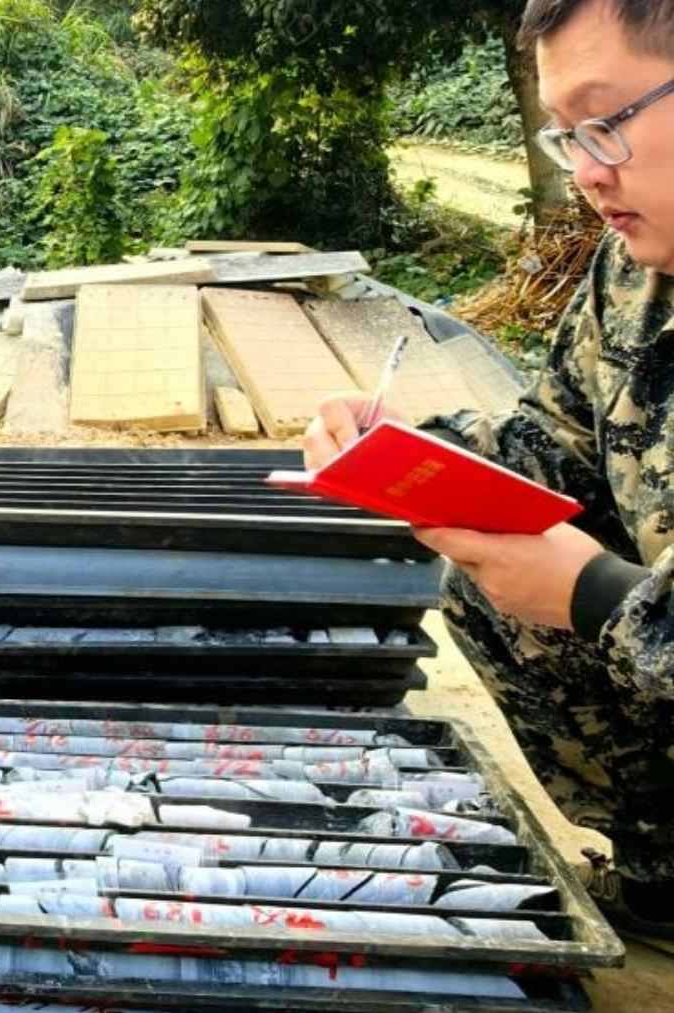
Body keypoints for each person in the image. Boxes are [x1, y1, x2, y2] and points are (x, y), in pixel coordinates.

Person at [304, 0, 674, 950]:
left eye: (608, 123)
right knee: (484, 564)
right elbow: (554, 439)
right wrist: (408, 451)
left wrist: (596, 594)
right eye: (566, 137)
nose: (588, 172)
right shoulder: (634, 277)